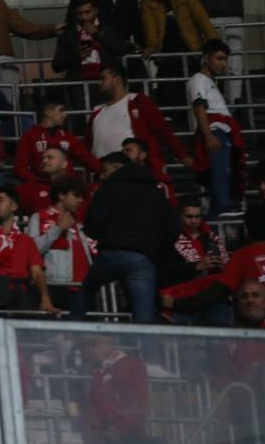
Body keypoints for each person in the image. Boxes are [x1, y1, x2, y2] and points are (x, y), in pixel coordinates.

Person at [69, 156, 178, 323]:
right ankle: (147, 342)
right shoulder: (157, 194)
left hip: (111, 255)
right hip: (142, 259)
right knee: (144, 317)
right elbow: (173, 230)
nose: (101, 175)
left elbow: (92, 226)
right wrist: (154, 248)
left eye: (105, 170)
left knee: (86, 290)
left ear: (116, 168)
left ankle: (68, 332)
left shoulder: (108, 189)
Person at [87, 61, 192, 180]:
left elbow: (163, 130)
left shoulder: (139, 101)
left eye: (103, 78)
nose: (99, 83)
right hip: (104, 177)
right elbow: (88, 145)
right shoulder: (96, 112)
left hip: (136, 175)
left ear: (117, 80)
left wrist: (182, 155)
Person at [139, 0, 217, 109]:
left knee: (198, 95)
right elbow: (150, 30)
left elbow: (202, 20)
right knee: (171, 98)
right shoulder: (146, 3)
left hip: (192, 52)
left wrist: (214, 44)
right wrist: (152, 46)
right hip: (167, 57)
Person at [188, 40, 240, 219]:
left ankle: (217, 215)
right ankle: (224, 207)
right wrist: (208, 134)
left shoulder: (209, 81)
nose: (223, 63)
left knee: (224, 171)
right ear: (205, 58)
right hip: (215, 131)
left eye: (225, 59)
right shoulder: (198, 80)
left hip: (221, 131)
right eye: (219, 58)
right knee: (220, 171)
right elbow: (199, 106)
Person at [160, 196, 231, 326]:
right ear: (179, 215)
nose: (194, 221)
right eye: (189, 216)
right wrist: (196, 267)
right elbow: (167, 269)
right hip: (183, 298)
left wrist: (221, 266)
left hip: (211, 296)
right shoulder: (169, 237)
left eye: (198, 216)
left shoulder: (211, 238)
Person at [27, 177, 94, 293]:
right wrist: (57, 229)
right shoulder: (39, 217)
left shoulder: (78, 223)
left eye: (82, 197)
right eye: (76, 195)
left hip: (84, 285)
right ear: (61, 195)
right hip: (56, 285)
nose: (80, 200)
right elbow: (31, 250)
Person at [14, 97, 101, 184]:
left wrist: (104, 172)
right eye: (61, 110)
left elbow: (87, 158)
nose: (65, 115)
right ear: (48, 112)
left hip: (68, 186)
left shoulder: (67, 136)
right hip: (42, 188)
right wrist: (38, 183)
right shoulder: (30, 136)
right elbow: (19, 167)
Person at [53, 0, 129, 83]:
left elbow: (122, 50)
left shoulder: (107, 28)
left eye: (87, 12)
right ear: (74, 13)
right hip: (78, 83)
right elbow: (57, 66)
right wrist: (77, 56)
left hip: (107, 81)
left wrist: (98, 34)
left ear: (95, 11)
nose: (84, 17)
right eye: (80, 13)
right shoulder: (67, 33)